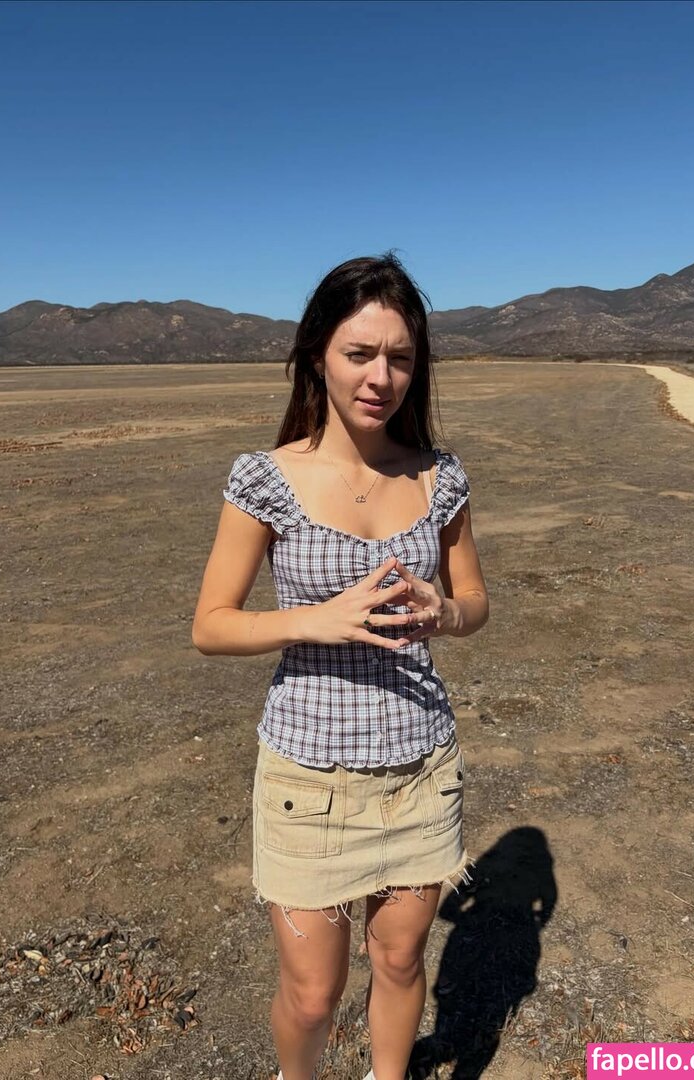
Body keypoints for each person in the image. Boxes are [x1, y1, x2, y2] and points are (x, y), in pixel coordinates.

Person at [191, 252, 489, 1080]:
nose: (379, 377)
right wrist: (313, 621)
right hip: (308, 777)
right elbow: (210, 626)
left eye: (399, 358)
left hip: (420, 769)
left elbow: (475, 603)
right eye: (359, 354)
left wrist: (444, 611)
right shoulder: (266, 478)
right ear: (317, 353)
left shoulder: (439, 478)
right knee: (312, 995)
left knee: (398, 960)